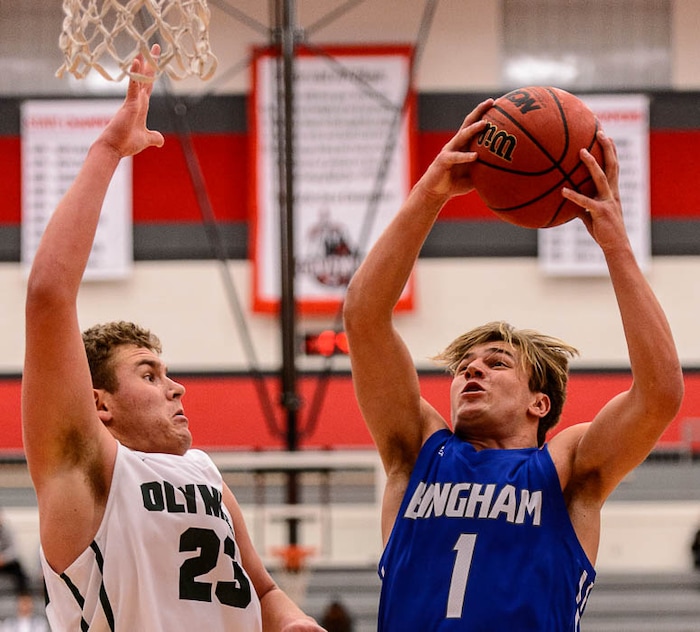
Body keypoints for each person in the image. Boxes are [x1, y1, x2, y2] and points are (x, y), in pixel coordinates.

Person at [342, 99, 684, 630]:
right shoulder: (416, 449)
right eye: (464, 367)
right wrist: (430, 192)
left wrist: (615, 242)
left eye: (495, 363)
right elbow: (364, 316)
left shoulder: (567, 470)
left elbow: (660, 395)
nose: (470, 372)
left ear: (539, 403)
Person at [21, 45, 325, 632]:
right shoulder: (86, 471)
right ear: (98, 403)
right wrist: (108, 150)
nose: (177, 386)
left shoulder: (205, 473)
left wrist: (291, 622)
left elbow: (261, 589)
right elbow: (48, 297)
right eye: (149, 374)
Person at [0, 512, 30, 598]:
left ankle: (24, 599)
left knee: (19, 570)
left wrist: (3, 558)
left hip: (6, 562)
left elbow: (14, 550)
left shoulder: (8, 530)